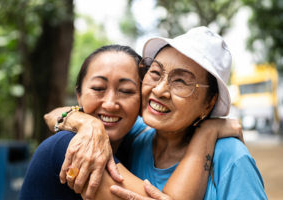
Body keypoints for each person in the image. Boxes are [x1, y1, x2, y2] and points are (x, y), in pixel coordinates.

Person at [43, 27, 267, 200]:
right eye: (156, 73)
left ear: (209, 103)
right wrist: (89, 125)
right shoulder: (137, 137)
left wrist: (207, 133)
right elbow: (54, 115)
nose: (159, 90)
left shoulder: (231, 157)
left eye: (180, 81)